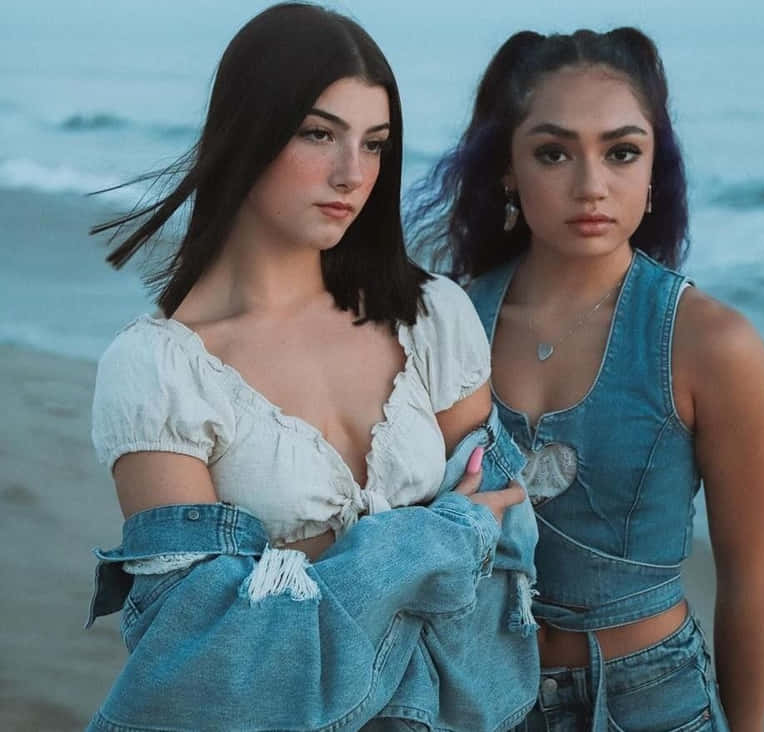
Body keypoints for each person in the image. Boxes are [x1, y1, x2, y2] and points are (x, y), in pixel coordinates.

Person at [86, 4, 538, 730]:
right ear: (248, 131)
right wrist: (435, 539)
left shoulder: (432, 318)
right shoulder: (160, 371)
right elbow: (209, 659)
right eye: (318, 134)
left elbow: (505, 554)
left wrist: (315, 580)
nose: (352, 174)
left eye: (375, 143)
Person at [410, 27, 764, 731]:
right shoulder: (448, 322)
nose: (591, 186)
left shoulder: (710, 343)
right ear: (508, 169)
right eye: (554, 153)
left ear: (654, 169)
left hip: (653, 703)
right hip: (478, 699)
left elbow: (751, 574)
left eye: (621, 152)